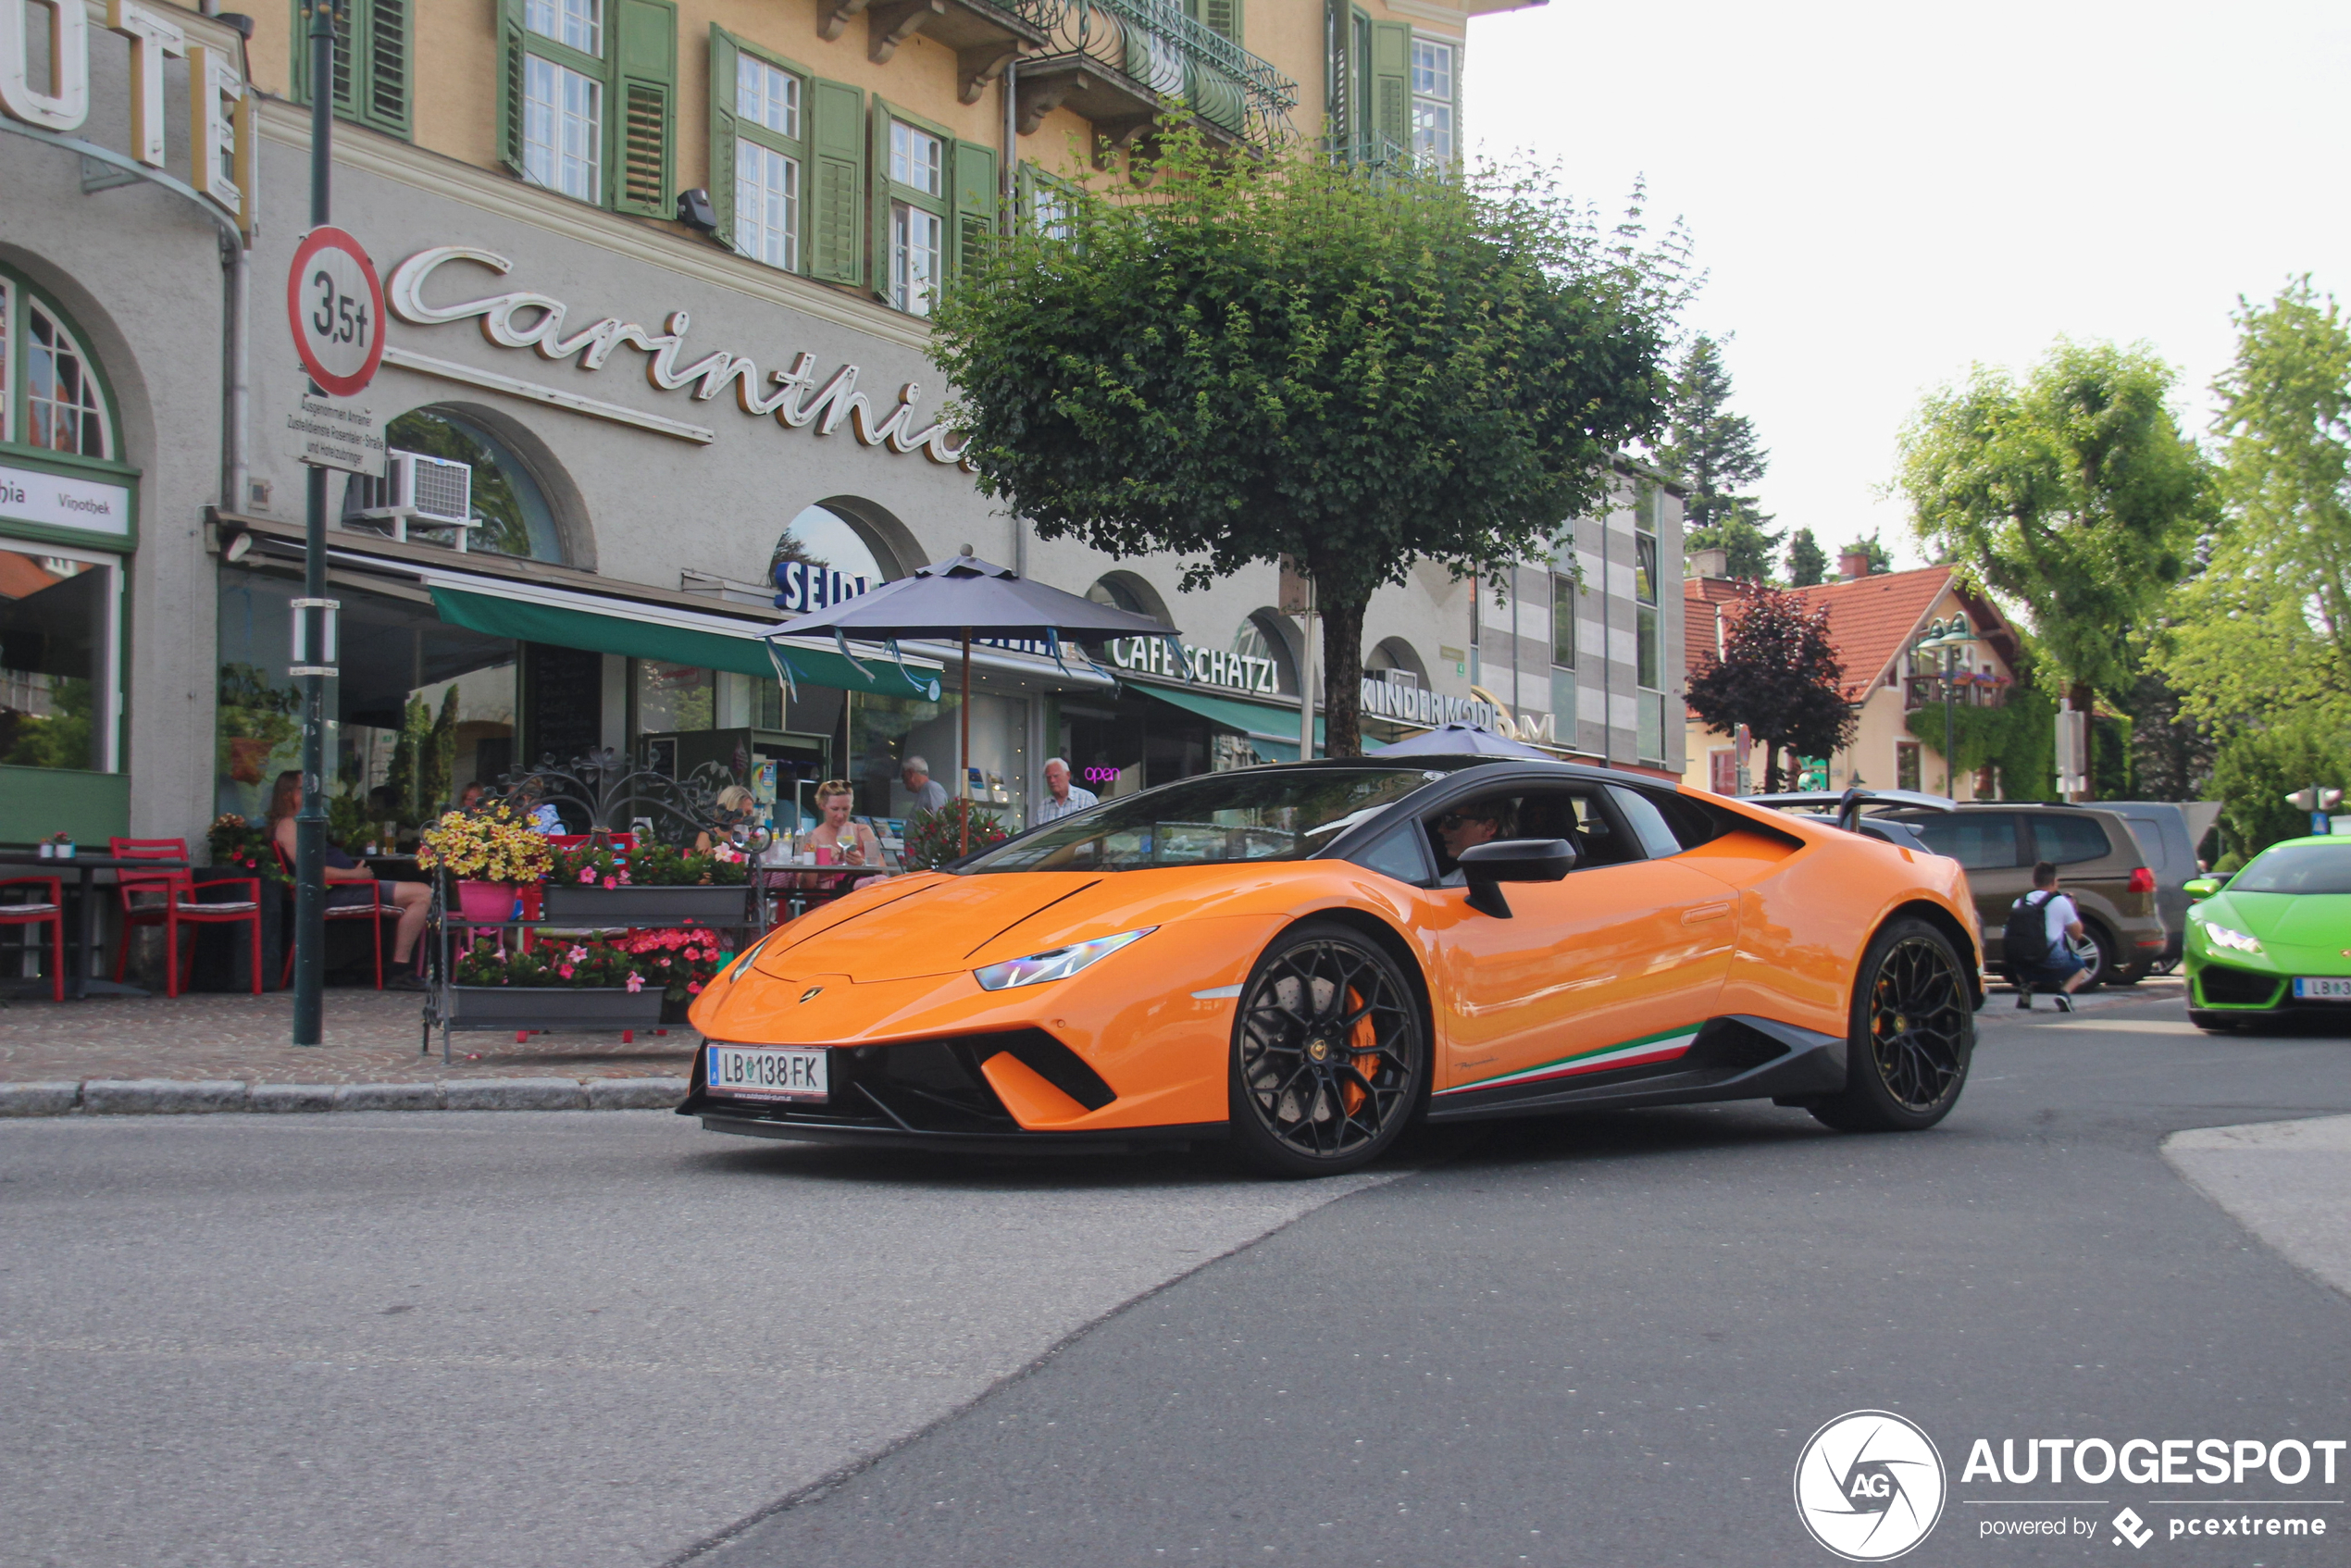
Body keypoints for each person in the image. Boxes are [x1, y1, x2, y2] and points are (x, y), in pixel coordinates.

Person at [267, 770, 432, 988]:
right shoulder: (289, 825)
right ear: (288, 794)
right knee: (422, 894)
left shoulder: (300, 823)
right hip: (334, 893)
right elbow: (310, 870)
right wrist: (354, 875)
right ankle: (400, 970)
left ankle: (395, 968)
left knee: (420, 892)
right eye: (305, 789)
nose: (313, 794)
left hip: (347, 888)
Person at [2008, 860, 2091, 1012]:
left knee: (2020, 955)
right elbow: (2077, 934)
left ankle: (2025, 987)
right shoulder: (2061, 902)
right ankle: (2064, 995)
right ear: (2054, 881)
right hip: (2053, 961)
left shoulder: (2019, 902)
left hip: (2024, 964)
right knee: (2080, 968)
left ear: (2034, 881)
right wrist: (2072, 909)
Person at [806, 778, 888, 888]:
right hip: (831, 899)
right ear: (822, 806)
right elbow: (806, 886)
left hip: (864, 897)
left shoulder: (863, 831)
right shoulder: (812, 837)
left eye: (845, 809)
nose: (840, 815)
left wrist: (862, 864)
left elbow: (884, 873)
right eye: (835, 809)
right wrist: (817, 860)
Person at [1433, 800, 1511, 885]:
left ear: (1489, 827)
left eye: (1452, 820)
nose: (1441, 829)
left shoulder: (1513, 881)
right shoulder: (1454, 880)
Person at [1036, 757, 1098, 824]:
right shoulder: (1043, 807)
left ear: (1068, 775)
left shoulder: (1087, 799)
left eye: (1056, 776)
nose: (1052, 780)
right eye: (1048, 777)